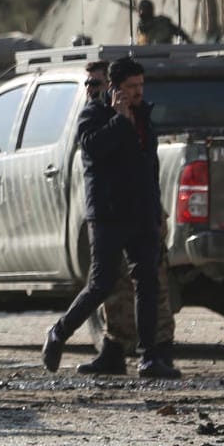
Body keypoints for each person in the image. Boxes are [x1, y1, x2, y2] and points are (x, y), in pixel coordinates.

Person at [42, 57, 181, 379]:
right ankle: (59, 333)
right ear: (115, 89)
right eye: (131, 87)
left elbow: (150, 168)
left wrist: (157, 209)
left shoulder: (145, 115)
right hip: (108, 215)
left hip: (142, 213)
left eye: (140, 86)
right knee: (101, 284)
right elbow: (93, 149)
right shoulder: (94, 115)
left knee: (147, 282)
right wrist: (119, 120)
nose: (137, 92)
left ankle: (149, 358)